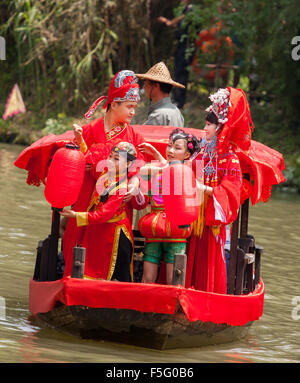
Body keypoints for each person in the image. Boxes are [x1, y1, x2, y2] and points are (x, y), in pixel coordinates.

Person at [62, 70, 147, 277]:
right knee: (77, 238)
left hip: (115, 197)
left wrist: (135, 182)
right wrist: (83, 164)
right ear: (114, 104)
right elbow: (72, 159)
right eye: (129, 106)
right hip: (87, 194)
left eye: (134, 107)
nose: (133, 112)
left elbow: (140, 165)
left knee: (112, 247)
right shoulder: (90, 130)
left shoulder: (133, 134)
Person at [186, 87, 254, 294]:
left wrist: (205, 189)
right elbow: (186, 173)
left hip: (212, 221)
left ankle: (208, 297)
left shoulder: (230, 159)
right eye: (205, 123)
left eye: (209, 124)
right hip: (194, 218)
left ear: (220, 128)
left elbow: (231, 192)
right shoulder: (202, 153)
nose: (205, 128)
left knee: (211, 257)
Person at [60, 142, 147, 281]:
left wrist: (76, 215)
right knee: (89, 271)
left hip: (113, 235)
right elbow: (91, 160)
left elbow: (104, 214)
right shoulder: (105, 174)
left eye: (116, 159)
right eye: (110, 157)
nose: (111, 161)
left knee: (110, 275)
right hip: (95, 229)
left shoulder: (122, 188)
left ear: (128, 164)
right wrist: (81, 140)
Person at [137, 128, 200, 285]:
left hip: (175, 232)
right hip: (154, 229)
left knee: (174, 280)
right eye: (169, 145)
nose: (171, 150)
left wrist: (161, 161)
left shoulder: (188, 171)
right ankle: (145, 307)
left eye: (177, 148)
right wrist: (160, 161)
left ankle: (172, 307)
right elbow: (142, 171)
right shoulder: (157, 168)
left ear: (187, 155)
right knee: (147, 278)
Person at [158, 0, 196, 109]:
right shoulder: (187, 9)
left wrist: (170, 22)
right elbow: (181, 25)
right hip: (182, 45)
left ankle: (179, 102)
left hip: (187, 46)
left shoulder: (191, 9)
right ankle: (177, 99)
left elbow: (183, 18)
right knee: (178, 71)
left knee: (182, 72)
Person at [135, 62, 185, 127]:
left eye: (146, 84)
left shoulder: (158, 115)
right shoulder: (176, 111)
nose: (144, 87)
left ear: (156, 86)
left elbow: (141, 136)